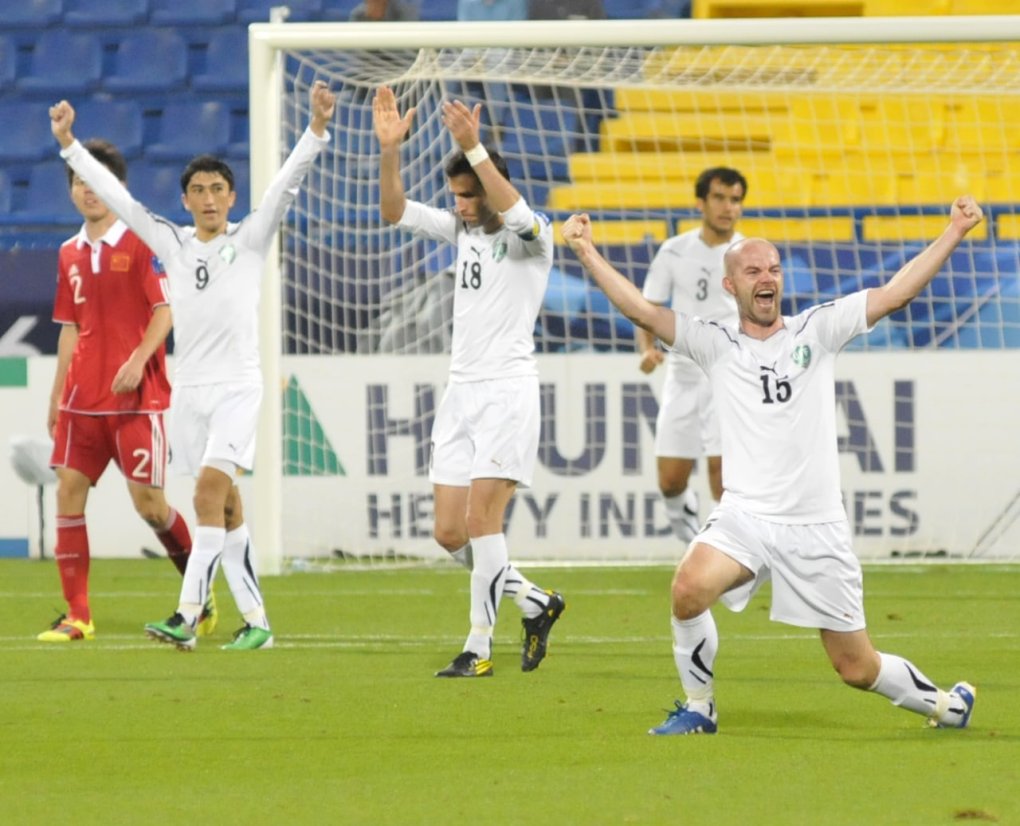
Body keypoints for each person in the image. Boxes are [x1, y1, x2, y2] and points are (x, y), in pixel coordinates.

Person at [560, 195, 982, 734]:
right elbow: (642, 311)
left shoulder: (817, 330)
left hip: (815, 525)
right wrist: (587, 251)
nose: (768, 277)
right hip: (746, 517)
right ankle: (699, 707)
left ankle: (948, 705)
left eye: (775, 269)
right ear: (730, 285)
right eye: (754, 269)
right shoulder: (714, 344)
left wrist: (955, 230)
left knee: (855, 667)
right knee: (688, 590)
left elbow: (897, 293)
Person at [49, 80, 336, 651]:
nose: (208, 198)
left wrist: (317, 130)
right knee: (225, 506)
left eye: (218, 189)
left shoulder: (250, 239)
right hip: (190, 394)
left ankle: (188, 613)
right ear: (185, 201)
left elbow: (285, 187)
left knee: (206, 494)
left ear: (231, 197)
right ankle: (257, 622)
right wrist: (69, 146)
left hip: (236, 389)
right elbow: (121, 200)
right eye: (199, 190)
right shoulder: (173, 243)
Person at [373, 85, 565, 677]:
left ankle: (478, 647)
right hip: (461, 394)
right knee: (449, 531)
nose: (457, 204)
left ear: (487, 189)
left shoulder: (533, 238)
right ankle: (536, 603)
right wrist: (389, 152)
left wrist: (475, 148)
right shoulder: (462, 231)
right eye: (454, 195)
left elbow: (517, 214)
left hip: (507, 391)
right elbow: (395, 212)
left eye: (466, 195)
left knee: (485, 523)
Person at [38, 139, 207, 643]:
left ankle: (199, 597)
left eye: (96, 182)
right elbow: (70, 326)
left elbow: (165, 311)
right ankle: (78, 615)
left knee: (151, 506)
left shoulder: (142, 244)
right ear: (70, 192)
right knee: (68, 492)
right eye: (79, 184)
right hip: (80, 401)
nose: (87, 192)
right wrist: (55, 393)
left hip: (138, 399)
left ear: (118, 189)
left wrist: (138, 359)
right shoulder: (69, 252)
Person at [637, 167, 746, 545]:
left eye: (735, 200)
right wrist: (647, 349)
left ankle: (728, 555)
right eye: (719, 198)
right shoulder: (675, 250)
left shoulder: (748, 255)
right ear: (700, 202)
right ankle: (692, 546)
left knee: (722, 478)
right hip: (682, 375)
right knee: (670, 481)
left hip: (727, 375)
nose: (727, 208)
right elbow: (648, 306)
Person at [348, 0, 419, 21]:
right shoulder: (358, 15)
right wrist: (373, 20)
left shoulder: (403, 11)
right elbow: (355, 49)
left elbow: (408, 46)